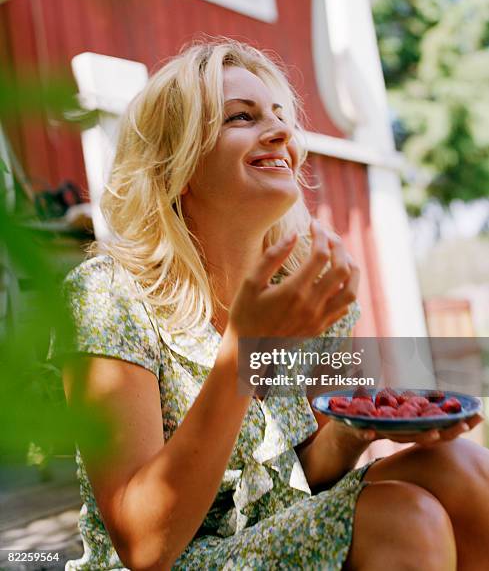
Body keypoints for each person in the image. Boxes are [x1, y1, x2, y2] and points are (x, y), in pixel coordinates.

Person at [59, 39, 489, 571]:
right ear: (179, 165)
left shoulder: (308, 292)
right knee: (403, 519)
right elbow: (144, 544)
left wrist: (358, 428)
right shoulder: (109, 295)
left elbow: (305, 473)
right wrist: (244, 345)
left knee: (464, 467)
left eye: (281, 116)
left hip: (279, 530)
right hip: (175, 558)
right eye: (242, 117)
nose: (283, 133)